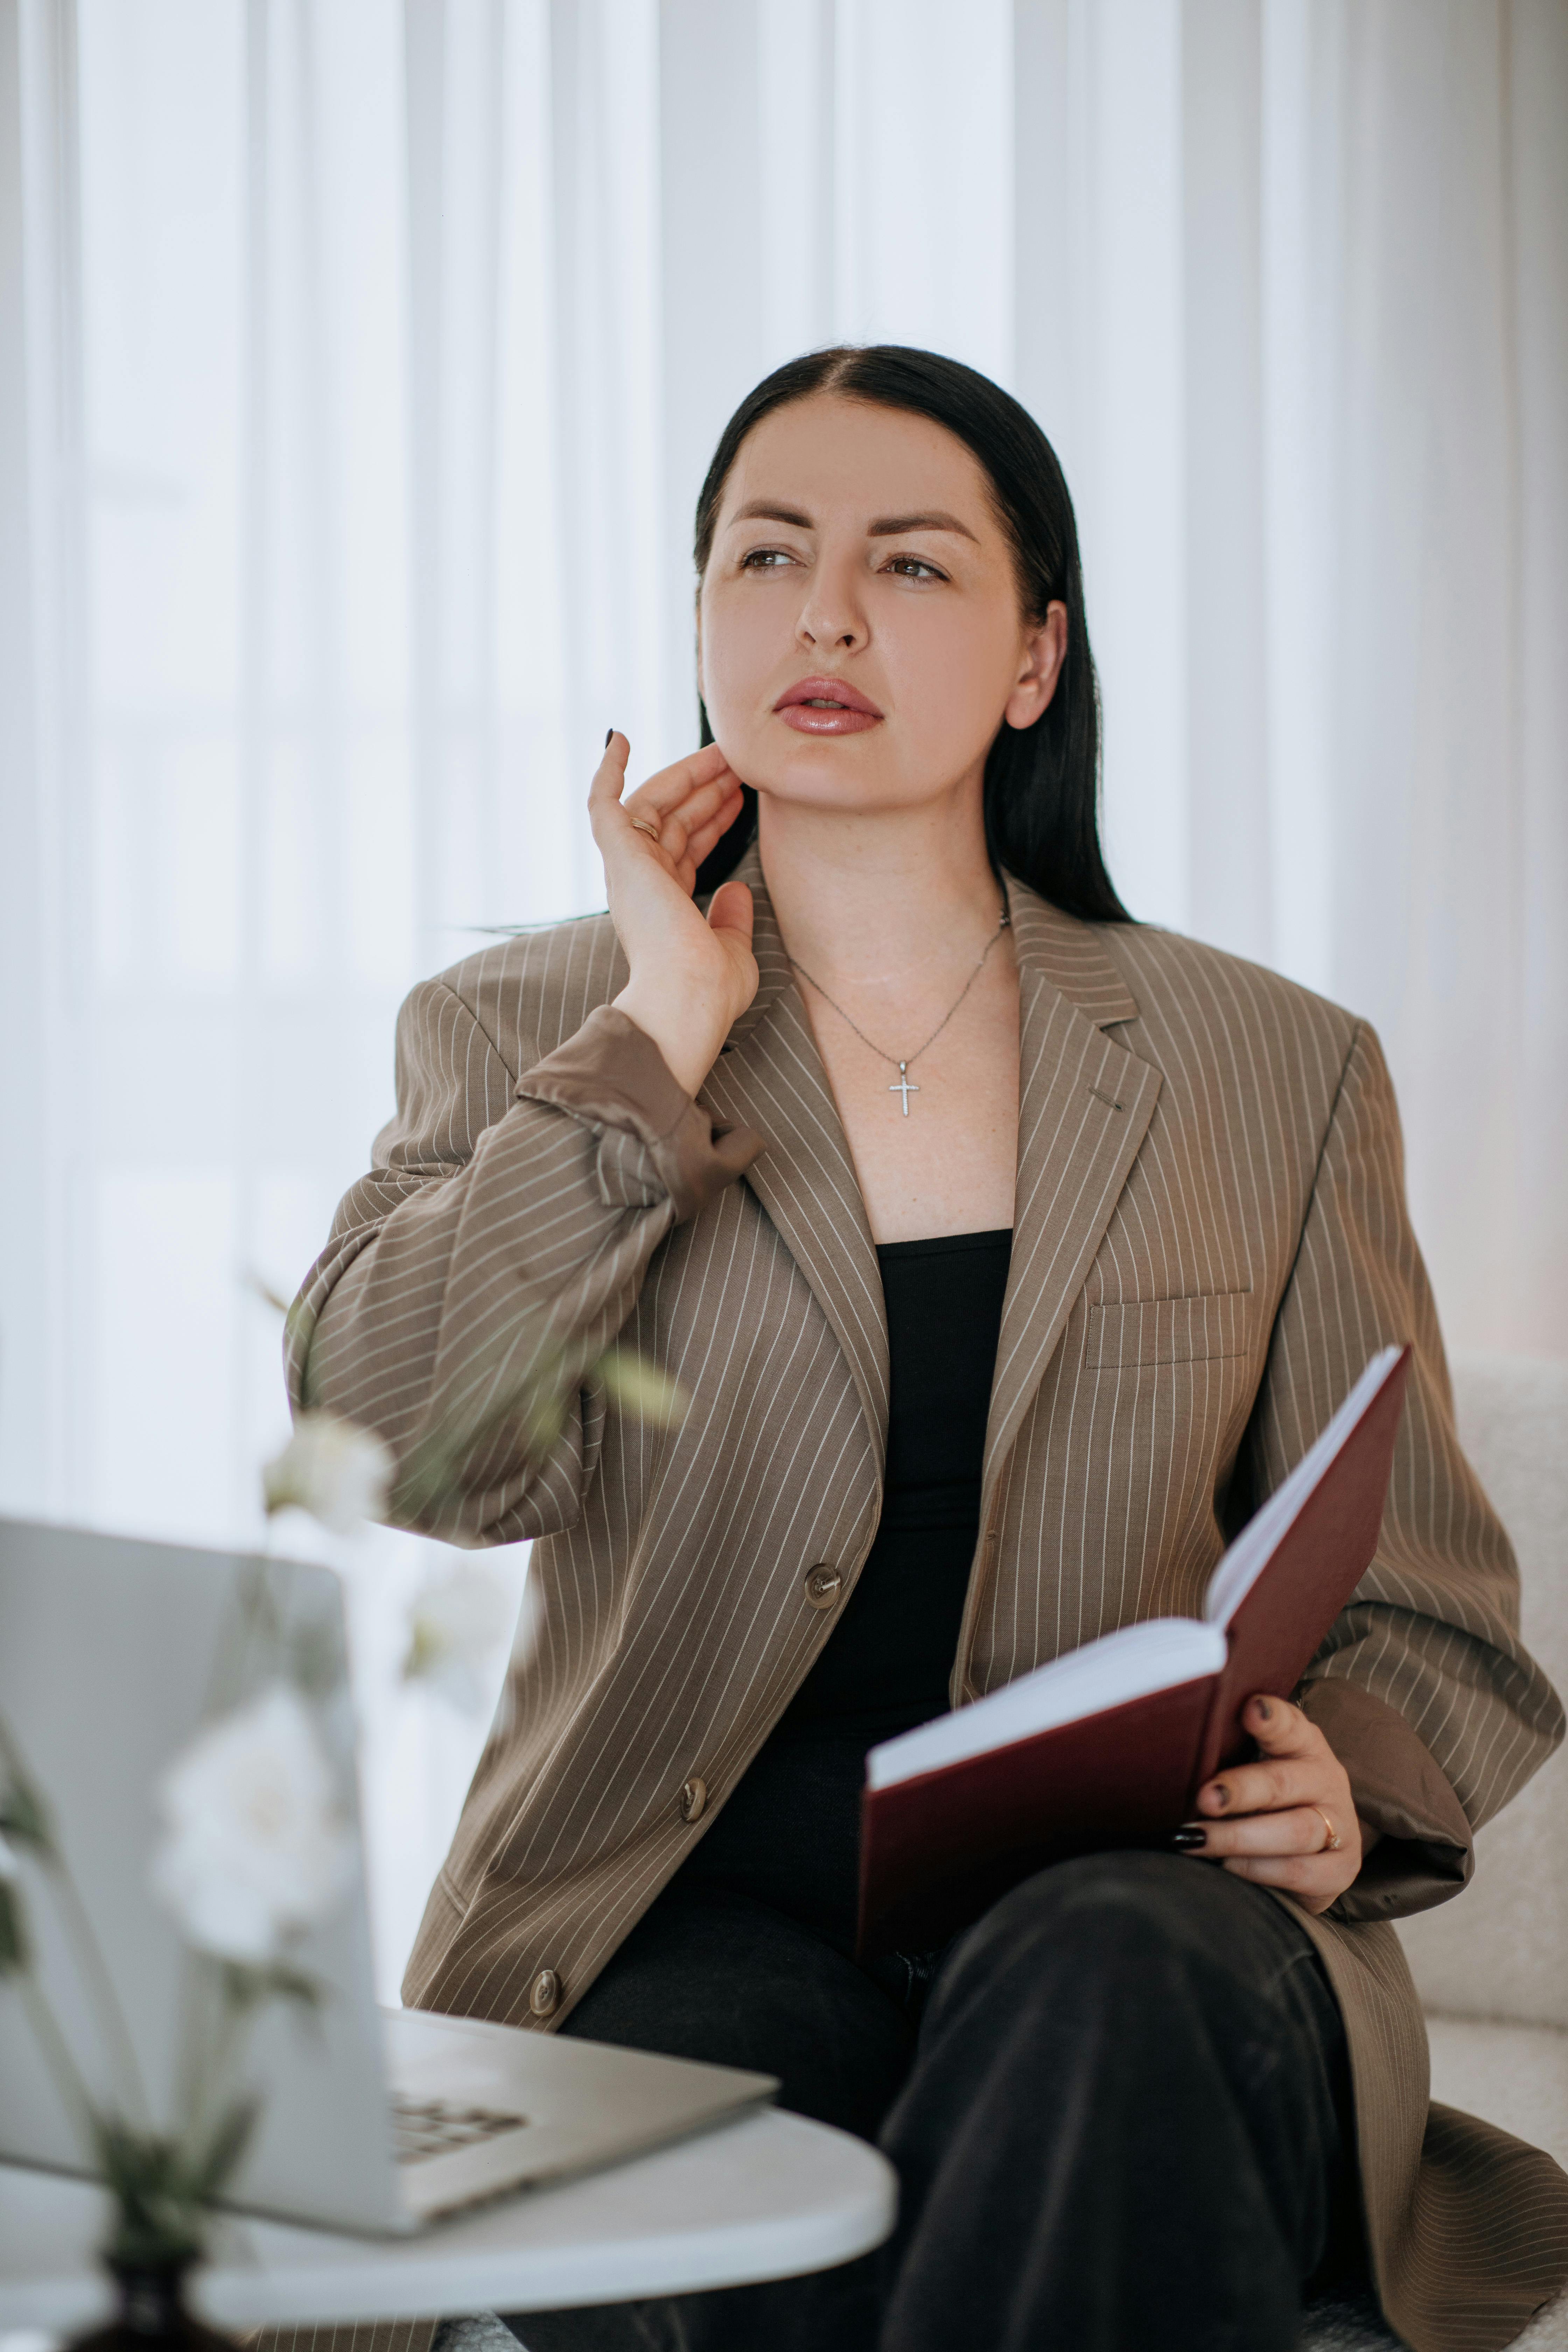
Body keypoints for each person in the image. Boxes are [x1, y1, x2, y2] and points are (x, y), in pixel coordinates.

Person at [286, 348, 1567, 2352]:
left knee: (1108, 1996)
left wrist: (1356, 1778)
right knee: (704, 2197)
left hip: (1146, 1923)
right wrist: (657, 1041)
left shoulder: (1272, 1069)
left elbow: (1436, 1609)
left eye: (912, 565)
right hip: (688, 1919)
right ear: (703, 615)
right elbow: (402, 1451)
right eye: (768, 557)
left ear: (1037, 658)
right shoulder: (526, 1028)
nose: (826, 616)